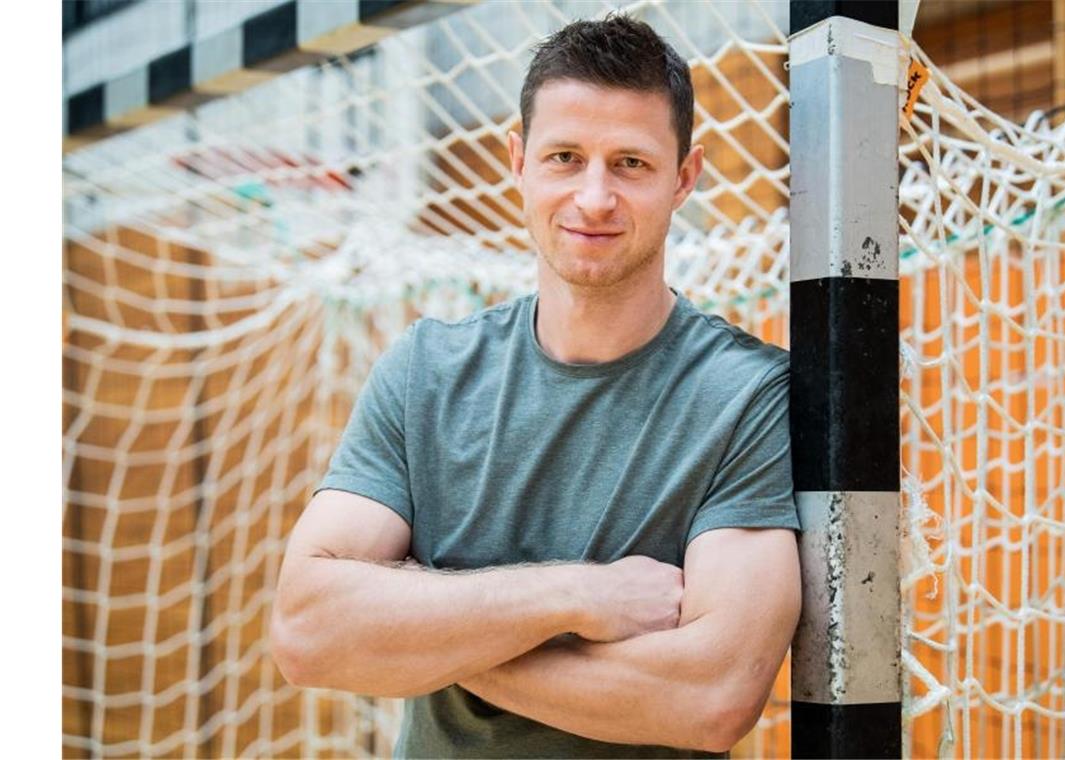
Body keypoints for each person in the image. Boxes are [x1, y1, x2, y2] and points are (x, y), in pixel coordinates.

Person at [270, 12, 801, 758]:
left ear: (685, 177)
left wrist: (435, 633)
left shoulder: (747, 396)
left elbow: (711, 696)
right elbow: (305, 632)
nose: (593, 198)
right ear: (517, 160)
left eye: (630, 164)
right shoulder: (427, 374)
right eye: (564, 157)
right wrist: (580, 597)